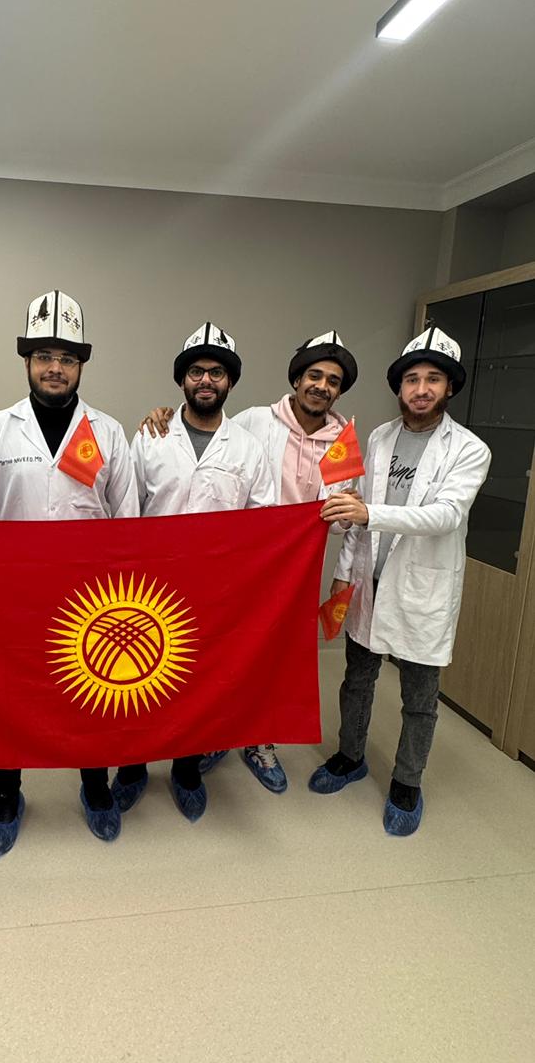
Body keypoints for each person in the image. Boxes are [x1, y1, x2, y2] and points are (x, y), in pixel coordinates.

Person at [0, 290, 138, 855]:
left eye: (66, 358)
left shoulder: (108, 432)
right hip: (13, 591)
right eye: (44, 356)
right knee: (9, 692)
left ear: (81, 365)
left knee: (94, 692)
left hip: (91, 596)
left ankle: (95, 785)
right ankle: (6, 791)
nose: (54, 368)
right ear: (27, 361)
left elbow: (128, 519)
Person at [142, 330, 359, 792]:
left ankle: (259, 741)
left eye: (333, 381)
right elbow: (204, 425)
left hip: (291, 565)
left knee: (270, 657)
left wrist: (347, 513)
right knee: (218, 658)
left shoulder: (345, 442)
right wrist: (162, 415)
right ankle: (215, 733)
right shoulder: (257, 422)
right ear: (297, 379)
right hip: (239, 563)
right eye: (314, 375)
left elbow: (340, 518)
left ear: (339, 391)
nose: (321, 386)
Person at [312, 327, 491, 835]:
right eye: (412, 379)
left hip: (421, 592)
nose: (421, 389)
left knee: (419, 697)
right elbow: (357, 513)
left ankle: (407, 781)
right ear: (399, 386)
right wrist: (343, 575)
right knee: (357, 679)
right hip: (369, 582)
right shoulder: (379, 438)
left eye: (433, 379)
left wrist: (369, 513)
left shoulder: (469, 449)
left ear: (449, 387)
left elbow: (446, 515)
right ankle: (351, 756)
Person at [111, 323, 274, 821]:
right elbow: (127, 508)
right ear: (182, 379)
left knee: (197, 684)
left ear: (230, 381)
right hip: (149, 587)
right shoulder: (150, 436)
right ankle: (132, 768)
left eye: (217, 372)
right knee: (137, 681)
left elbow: (264, 522)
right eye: (197, 371)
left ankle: (186, 770)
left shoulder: (248, 448)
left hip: (215, 591)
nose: (206, 380)